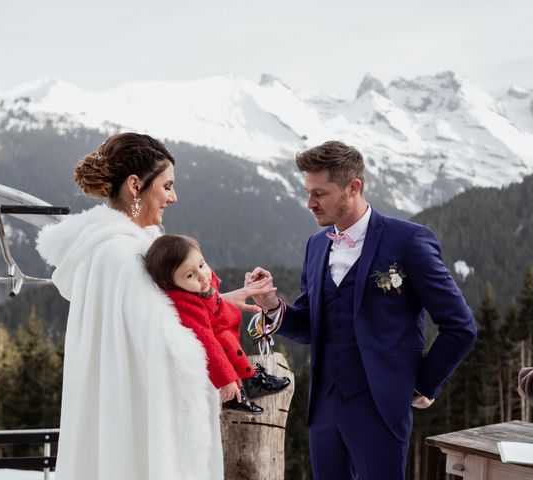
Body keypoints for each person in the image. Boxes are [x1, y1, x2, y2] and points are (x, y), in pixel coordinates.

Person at [36, 132, 273, 479]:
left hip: (127, 425)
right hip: (144, 429)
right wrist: (222, 366)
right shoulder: (121, 255)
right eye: (167, 186)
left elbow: (161, 320)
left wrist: (214, 303)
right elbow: (167, 348)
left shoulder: (130, 248)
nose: (173, 198)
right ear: (135, 185)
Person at [245, 140, 477, 480]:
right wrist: (273, 306)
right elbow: (311, 326)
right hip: (324, 410)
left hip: (381, 407)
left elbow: (460, 326)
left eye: (319, 194)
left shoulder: (409, 241)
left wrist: (422, 385)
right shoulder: (315, 246)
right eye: (308, 192)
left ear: (353, 187)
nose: (309, 203)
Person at [144, 234, 290, 415]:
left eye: (201, 264)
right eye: (190, 275)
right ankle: (237, 392)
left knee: (228, 341)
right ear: (170, 284)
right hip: (216, 333)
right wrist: (226, 380)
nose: (202, 276)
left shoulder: (198, 285)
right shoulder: (186, 306)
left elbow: (211, 288)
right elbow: (208, 344)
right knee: (225, 342)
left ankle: (250, 381)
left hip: (221, 322)